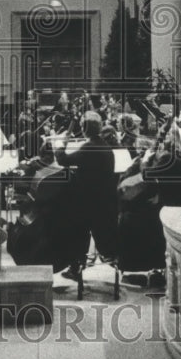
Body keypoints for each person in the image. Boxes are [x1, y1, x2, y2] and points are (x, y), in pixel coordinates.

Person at [53, 111, 117, 277]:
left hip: (87, 202)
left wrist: (61, 144)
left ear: (84, 128)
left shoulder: (88, 147)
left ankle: (75, 266)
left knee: (73, 228)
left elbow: (62, 160)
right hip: (105, 202)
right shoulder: (105, 146)